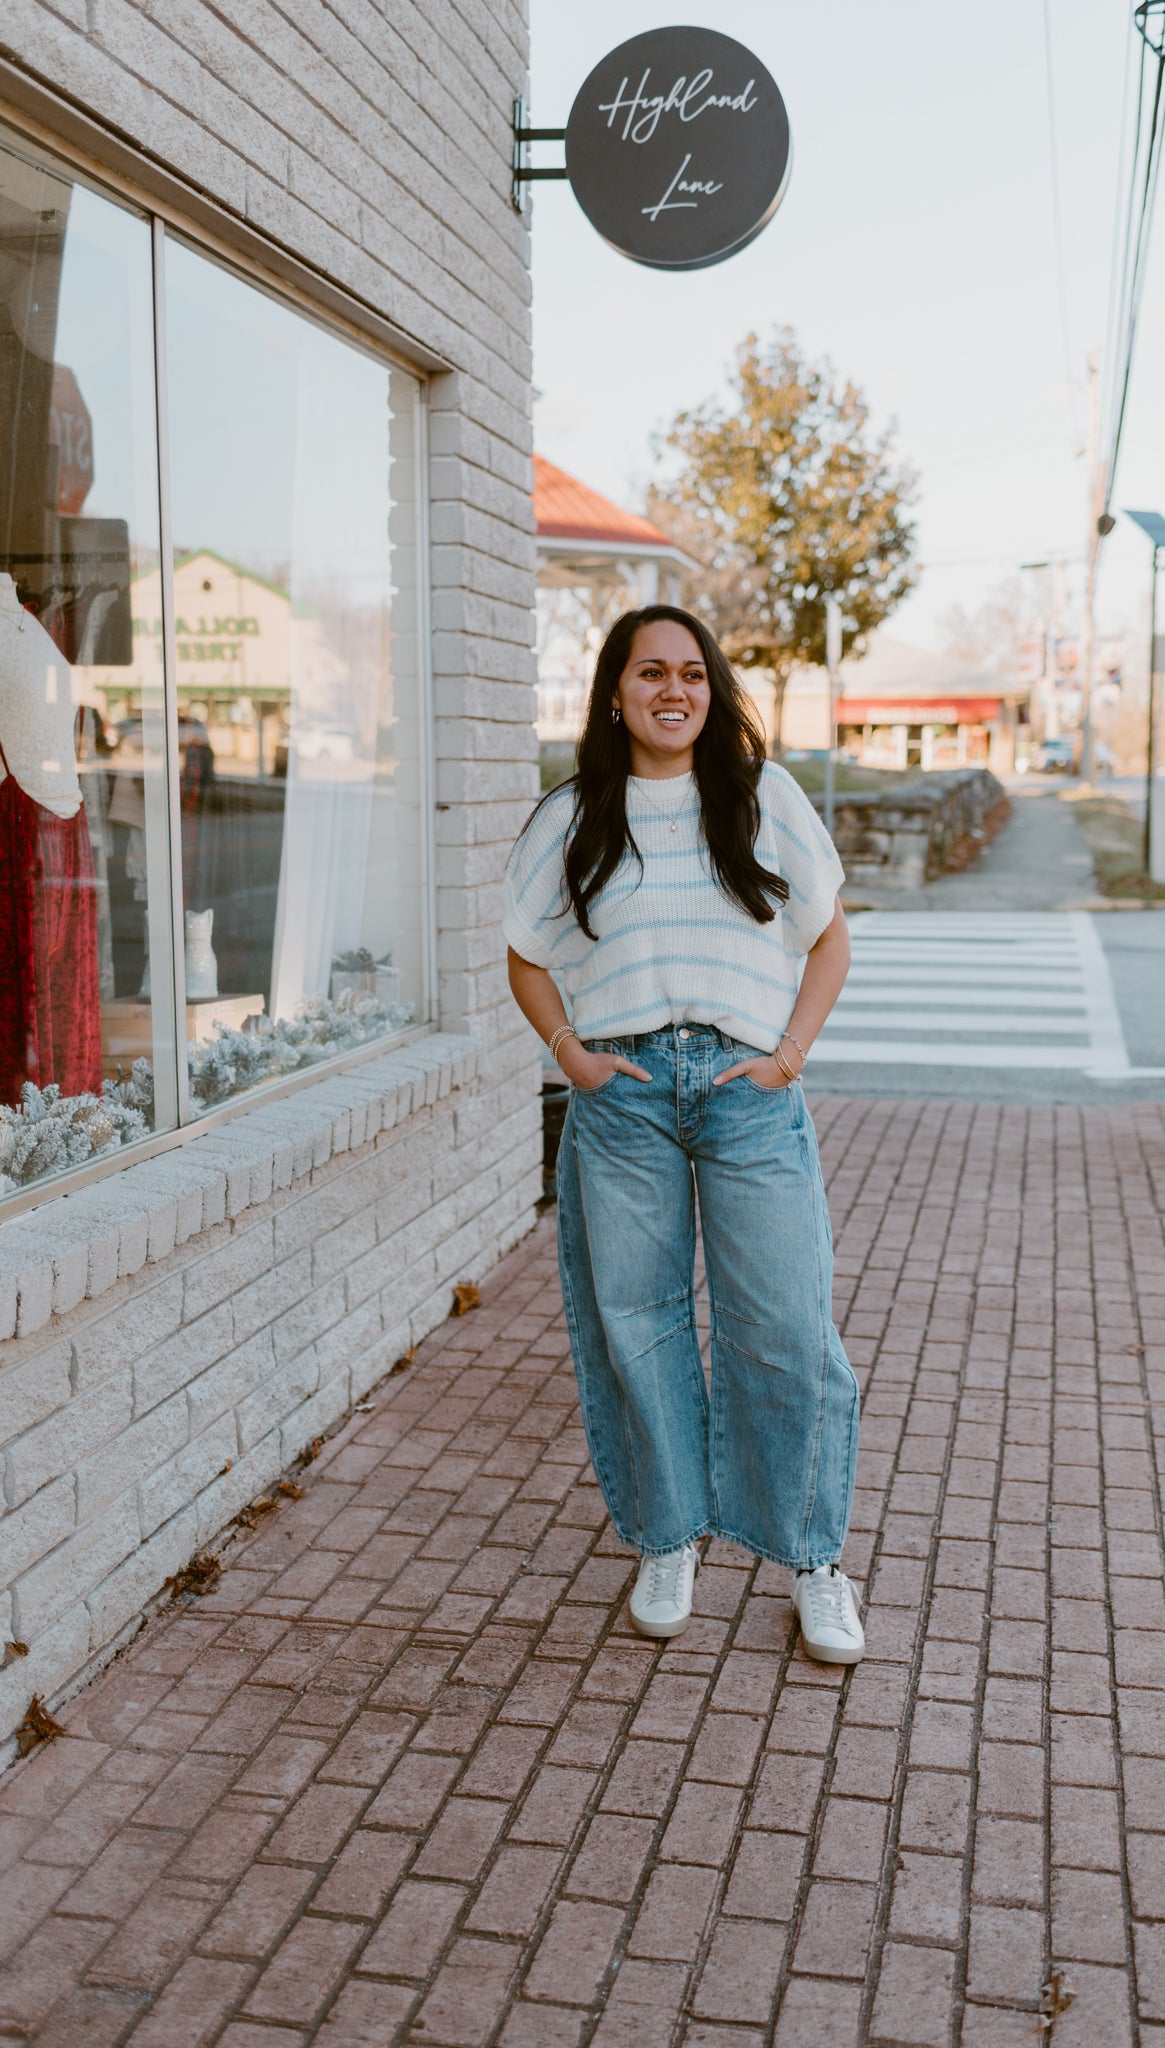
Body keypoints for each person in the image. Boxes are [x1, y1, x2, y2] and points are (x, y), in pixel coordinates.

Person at [503, 605, 865, 1664]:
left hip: (748, 1089)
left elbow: (828, 938)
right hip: (621, 1093)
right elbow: (526, 951)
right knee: (639, 1319)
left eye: (693, 674)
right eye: (650, 671)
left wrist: (789, 1053)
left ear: (712, 692)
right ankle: (668, 1537)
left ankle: (812, 1557)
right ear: (614, 691)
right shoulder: (573, 815)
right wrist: (568, 1050)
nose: (674, 689)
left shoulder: (760, 799)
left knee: (784, 1324)